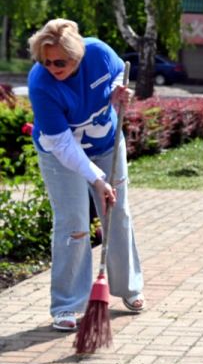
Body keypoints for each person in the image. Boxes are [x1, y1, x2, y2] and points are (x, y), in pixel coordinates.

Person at [26, 19, 145, 332]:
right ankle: (67, 304)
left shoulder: (99, 52)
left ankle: (129, 287)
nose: (52, 68)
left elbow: (118, 72)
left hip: (106, 144)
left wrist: (117, 93)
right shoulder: (41, 84)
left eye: (60, 62)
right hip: (60, 153)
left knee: (117, 213)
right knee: (74, 224)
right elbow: (63, 145)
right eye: (46, 61)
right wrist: (97, 179)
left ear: (77, 56)